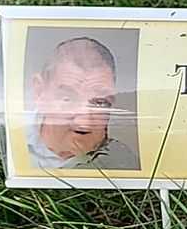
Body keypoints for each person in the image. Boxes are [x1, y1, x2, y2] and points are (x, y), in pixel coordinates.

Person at [27, 37, 139, 170]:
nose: (84, 123)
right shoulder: (9, 145)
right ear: (39, 92)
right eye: (68, 99)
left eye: (100, 103)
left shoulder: (125, 163)